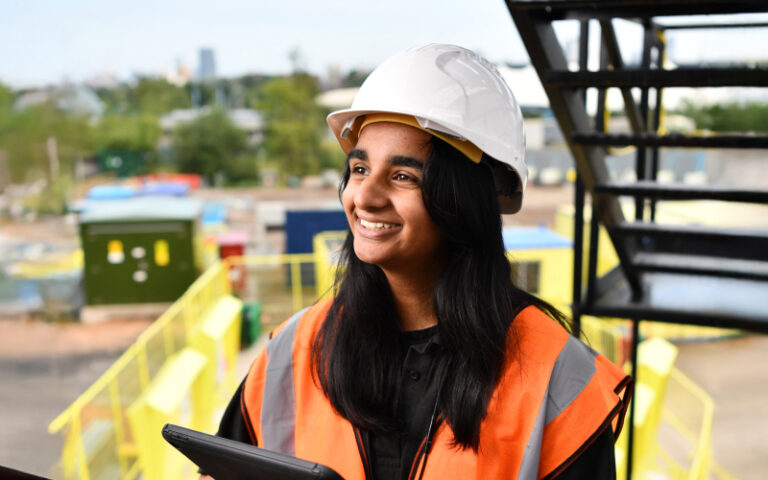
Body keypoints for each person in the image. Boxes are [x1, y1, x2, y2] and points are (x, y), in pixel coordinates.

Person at [209, 44, 631, 480]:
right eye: (358, 169)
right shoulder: (293, 351)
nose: (365, 198)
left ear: (464, 201)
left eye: (403, 176)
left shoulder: (557, 374)